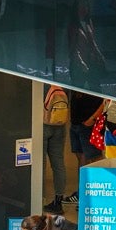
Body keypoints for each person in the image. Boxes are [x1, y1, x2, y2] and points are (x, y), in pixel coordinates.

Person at [66, 91, 105, 197]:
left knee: (93, 159)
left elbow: (106, 101)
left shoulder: (96, 79)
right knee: (81, 158)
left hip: (88, 124)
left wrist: (93, 118)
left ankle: (94, 193)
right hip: (76, 123)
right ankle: (82, 192)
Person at [42, 85, 69, 214]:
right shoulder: (63, 83)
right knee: (58, 165)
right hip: (60, 125)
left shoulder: (40, 83)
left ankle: (38, 199)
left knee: (40, 164)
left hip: (43, 124)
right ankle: (58, 202)